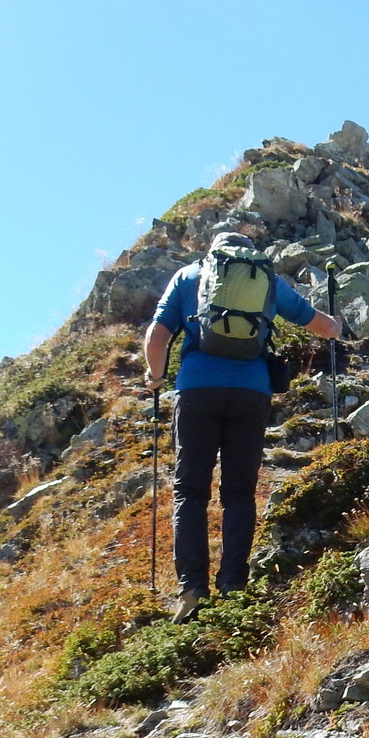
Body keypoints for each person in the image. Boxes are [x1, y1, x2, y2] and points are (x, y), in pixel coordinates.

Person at [144, 231, 341, 620]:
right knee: (239, 492)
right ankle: (233, 583)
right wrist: (335, 325)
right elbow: (316, 323)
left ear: (214, 251)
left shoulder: (189, 276)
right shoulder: (266, 279)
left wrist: (155, 376)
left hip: (197, 389)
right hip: (252, 391)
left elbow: (157, 335)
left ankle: (192, 589)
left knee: (190, 491)